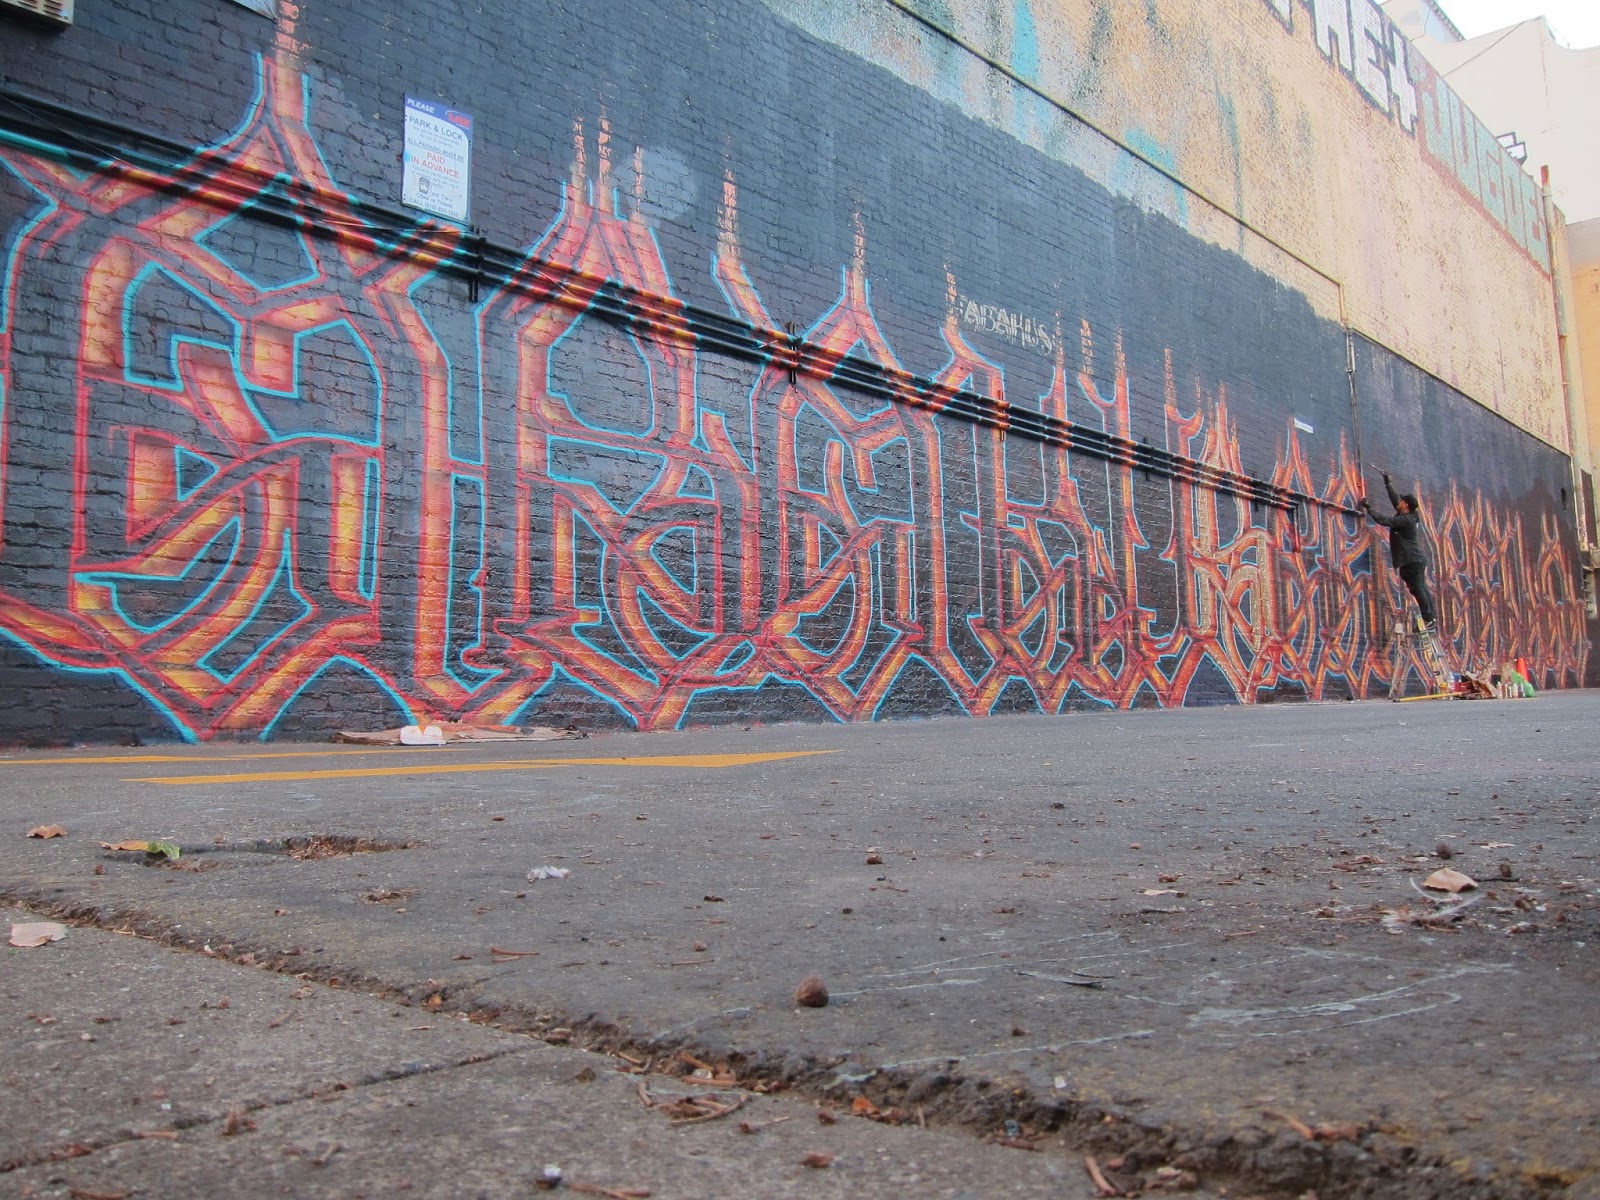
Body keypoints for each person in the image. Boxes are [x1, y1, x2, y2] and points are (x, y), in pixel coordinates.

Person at [1360, 472, 1435, 629]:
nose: (1398, 502)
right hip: (1415, 560)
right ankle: (1430, 618)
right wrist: (1388, 484)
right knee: (1421, 587)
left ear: (1405, 505)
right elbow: (1396, 502)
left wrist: (1368, 507)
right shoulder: (1409, 516)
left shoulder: (1406, 520)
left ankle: (1428, 618)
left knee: (1417, 588)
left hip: (1411, 560)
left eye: (1401, 501)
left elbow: (1384, 520)